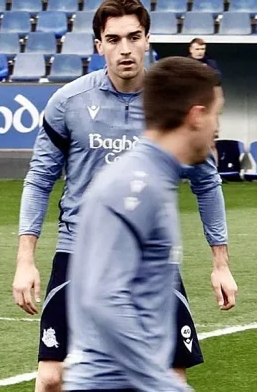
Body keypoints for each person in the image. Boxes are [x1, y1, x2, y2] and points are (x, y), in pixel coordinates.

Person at [11, 0, 238, 392]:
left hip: (150, 257)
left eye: (133, 37)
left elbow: (206, 182)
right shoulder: (68, 102)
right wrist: (25, 261)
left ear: (148, 39)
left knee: (170, 373)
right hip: (78, 250)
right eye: (113, 39)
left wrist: (220, 263)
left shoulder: (172, 104)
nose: (125, 49)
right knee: (51, 378)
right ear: (99, 46)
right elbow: (39, 178)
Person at [65, 57, 224, 392]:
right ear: (196, 117)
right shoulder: (135, 184)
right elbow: (104, 297)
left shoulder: (152, 177)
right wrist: (163, 385)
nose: (217, 128)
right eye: (215, 115)